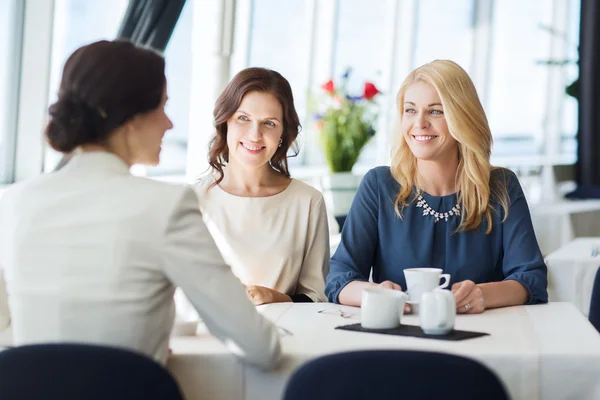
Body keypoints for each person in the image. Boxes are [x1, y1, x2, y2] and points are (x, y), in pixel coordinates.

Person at [0, 40, 280, 369]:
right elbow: (260, 347)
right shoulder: (166, 205)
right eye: (162, 107)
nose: (169, 124)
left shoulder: (12, 201)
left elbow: (6, 334)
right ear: (130, 118)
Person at [325, 60, 548, 313]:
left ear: (461, 117)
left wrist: (483, 295)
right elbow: (339, 277)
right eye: (410, 110)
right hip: (400, 335)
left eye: (435, 111)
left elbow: (531, 279)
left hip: (486, 338)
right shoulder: (379, 185)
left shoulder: (501, 187)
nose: (419, 123)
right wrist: (374, 293)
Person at [194, 67, 329, 305]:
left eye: (269, 123)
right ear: (226, 123)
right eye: (243, 119)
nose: (255, 135)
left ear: (282, 134)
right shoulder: (193, 200)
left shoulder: (308, 201)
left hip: (288, 335)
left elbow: (317, 296)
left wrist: (275, 298)